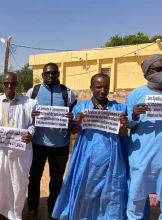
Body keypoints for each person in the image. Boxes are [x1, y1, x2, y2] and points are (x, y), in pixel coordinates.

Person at [52, 73, 128, 219]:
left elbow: (122, 135)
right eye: (99, 87)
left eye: (106, 87)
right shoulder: (81, 107)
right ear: (91, 88)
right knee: (85, 188)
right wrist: (78, 122)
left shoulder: (119, 108)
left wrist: (123, 125)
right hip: (86, 156)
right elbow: (74, 131)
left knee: (111, 190)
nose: (102, 90)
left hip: (111, 157)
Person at [0, 72, 35, 220]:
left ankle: (14, 213)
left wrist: (30, 134)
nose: (10, 86)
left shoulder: (29, 103)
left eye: (13, 83)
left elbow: (32, 124)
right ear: (2, 84)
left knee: (18, 183)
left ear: (17, 84)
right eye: (6, 83)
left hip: (20, 151)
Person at [26, 62, 76, 219]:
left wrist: (71, 118)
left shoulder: (67, 93)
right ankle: (33, 208)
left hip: (60, 145)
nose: (50, 76)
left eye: (53, 73)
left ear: (58, 74)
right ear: (42, 75)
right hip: (37, 143)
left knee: (56, 180)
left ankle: (52, 210)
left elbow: (75, 117)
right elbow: (26, 115)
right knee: (34, 178)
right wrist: (31, 115)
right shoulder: (32, 92)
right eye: (47, 73)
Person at [126, 54, 162, 219]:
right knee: (136, 200)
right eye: (159, 69)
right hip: (142, 156)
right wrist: (134, 114)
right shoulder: (136, 95)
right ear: (147, 72)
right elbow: (127, 123)